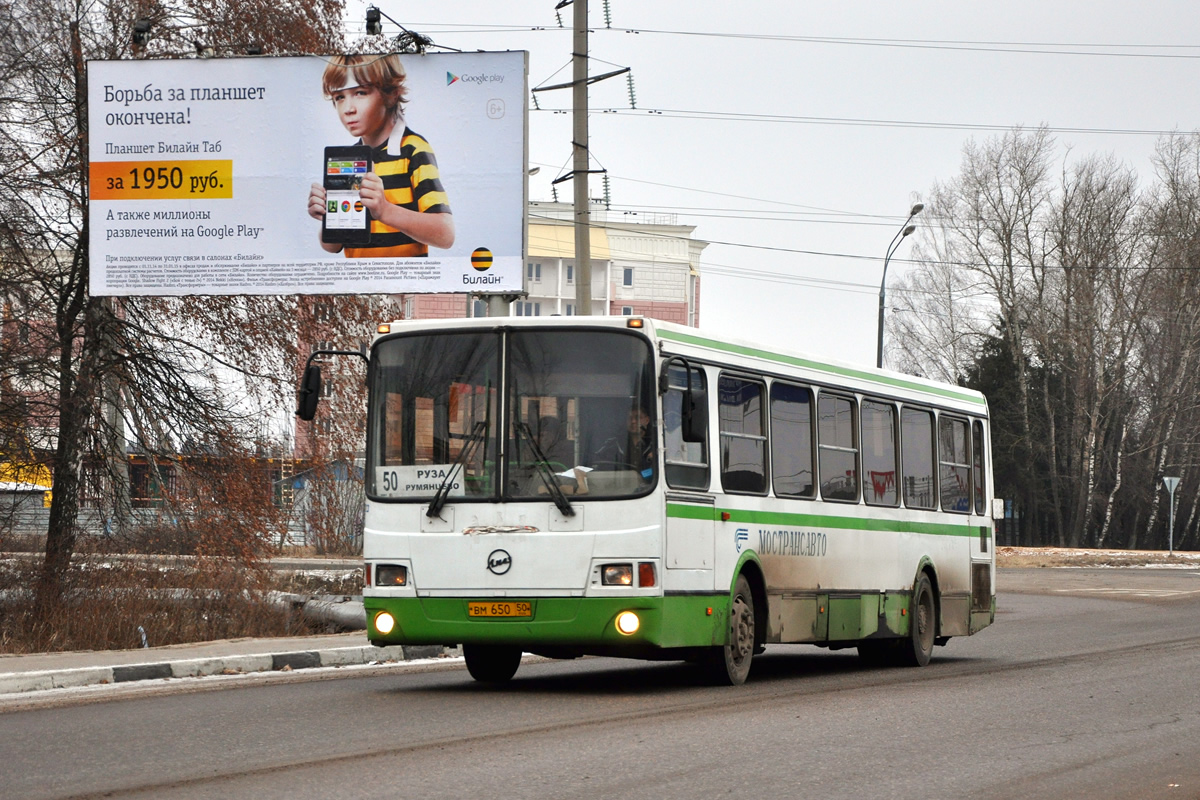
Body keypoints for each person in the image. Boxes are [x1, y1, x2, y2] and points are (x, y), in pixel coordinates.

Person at [307, 54, 455, 258]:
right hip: (359, 284)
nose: (348, 109)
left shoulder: (412, 149)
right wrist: (327, 219)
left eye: (360, 93)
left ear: (391, 94)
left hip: (406, 285)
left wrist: (385, 210)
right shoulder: (348, 160)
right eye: (339, 97)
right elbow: (333, 246)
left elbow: (445, 234)